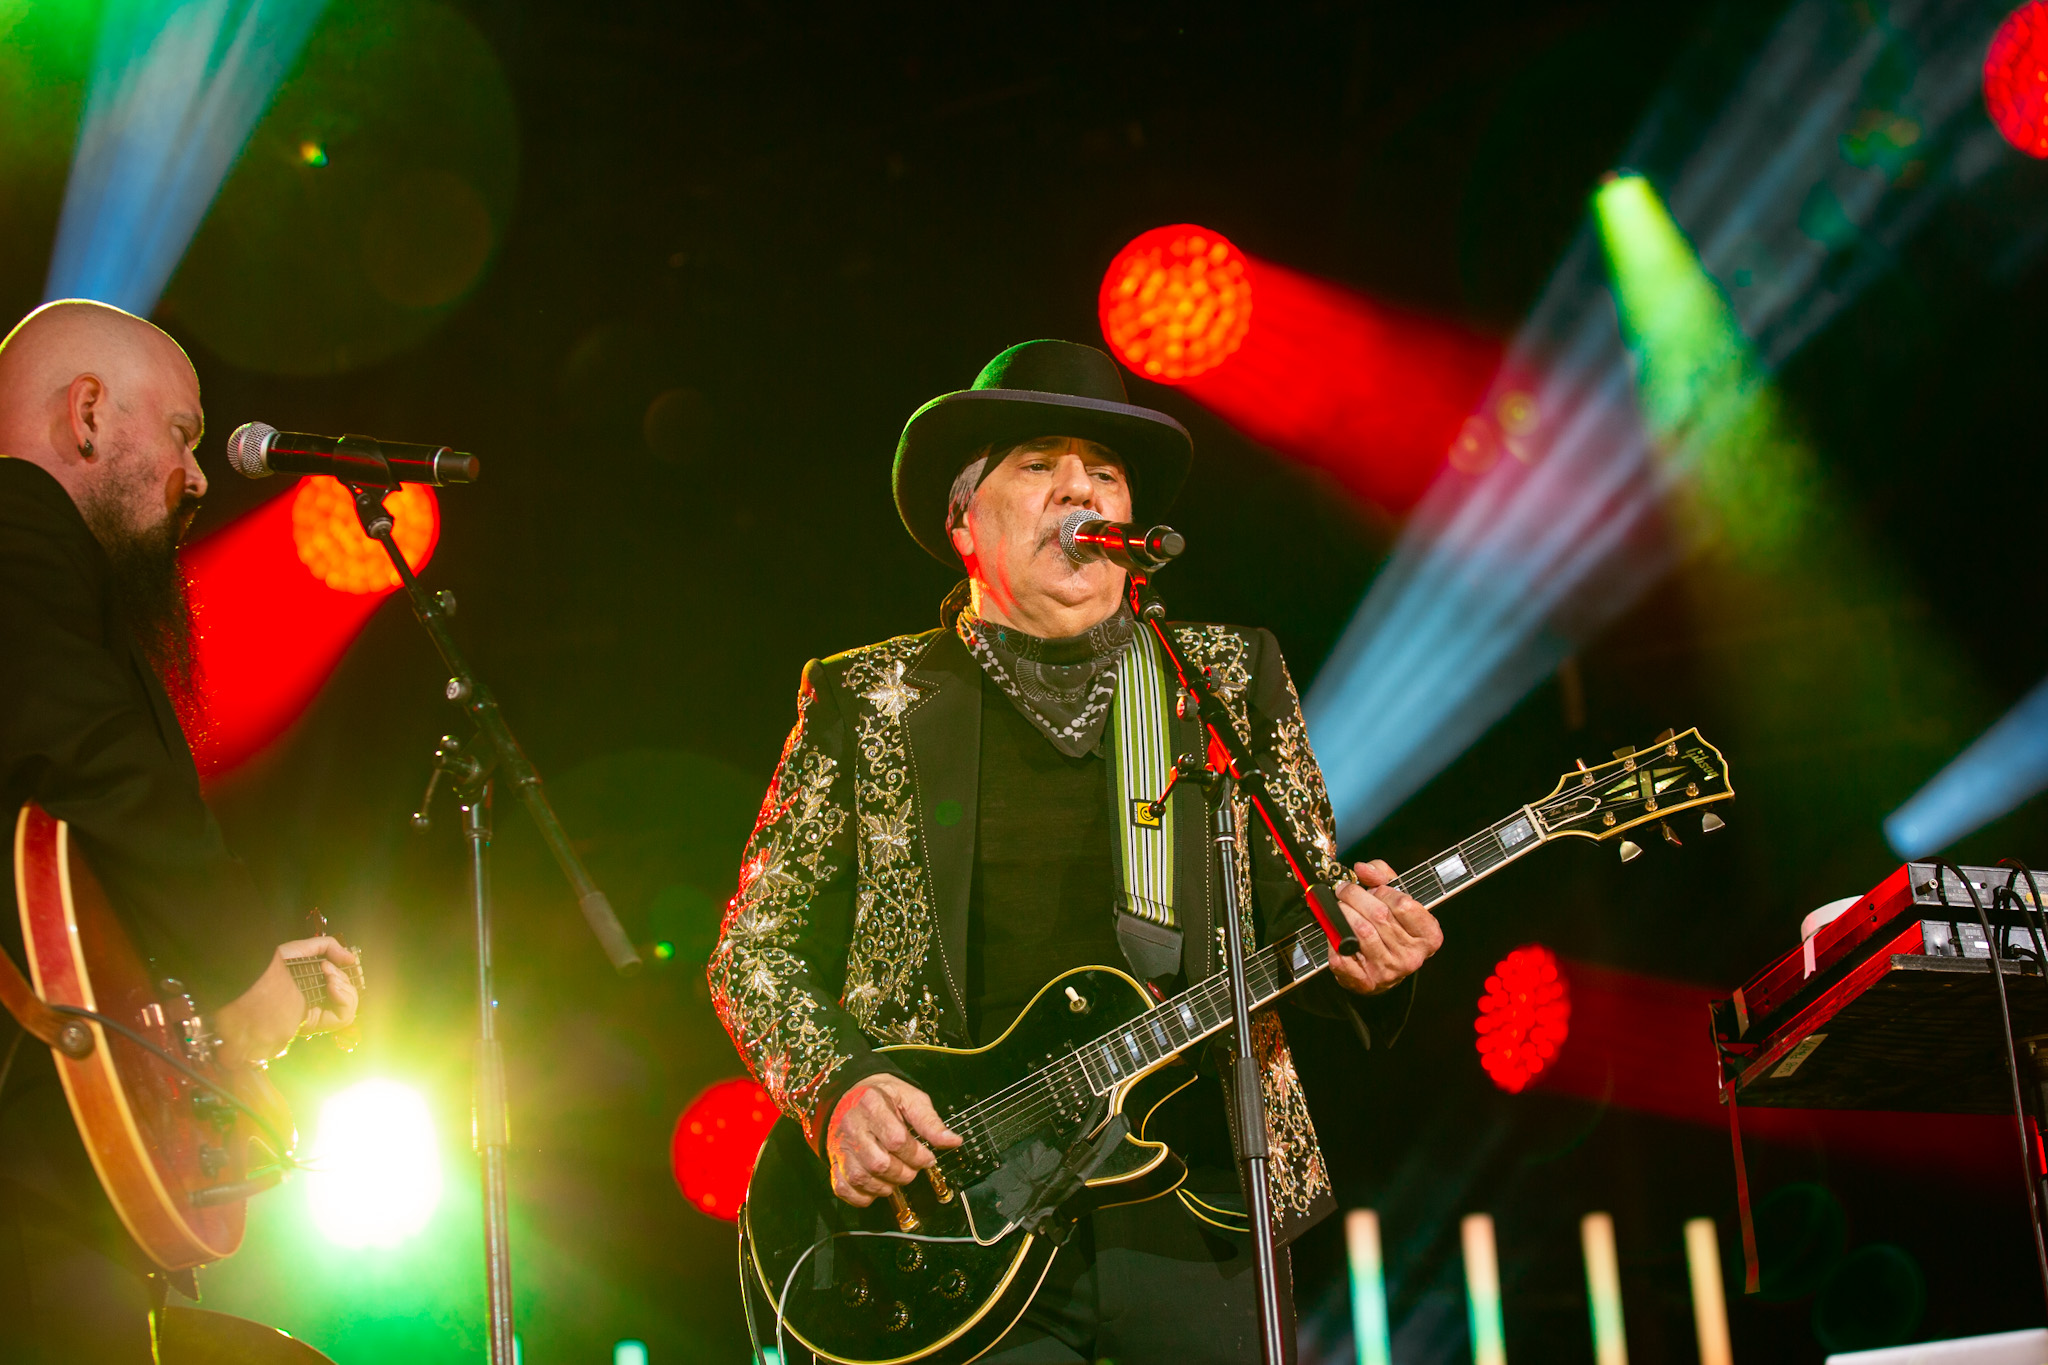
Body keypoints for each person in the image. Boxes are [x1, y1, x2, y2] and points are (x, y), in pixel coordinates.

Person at [709, 339, 1442, 1362]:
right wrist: (841, 1090)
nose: (1079, 489)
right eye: (1038, 463)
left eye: (1104, 472)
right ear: (963, 520)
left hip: (1196, 1205)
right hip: (953, 1225)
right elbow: (755, 949)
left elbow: (1300, 909)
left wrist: (1371, 952)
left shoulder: (1224, 676)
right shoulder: (867, 698)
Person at [0, 300, 361, 1364]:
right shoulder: (15, 551)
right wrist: (235, 961)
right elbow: (87, 750)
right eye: (182, 433)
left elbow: (70, 891)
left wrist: (223, 987)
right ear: (87, 413)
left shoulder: (56, 584)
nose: (199, 476)